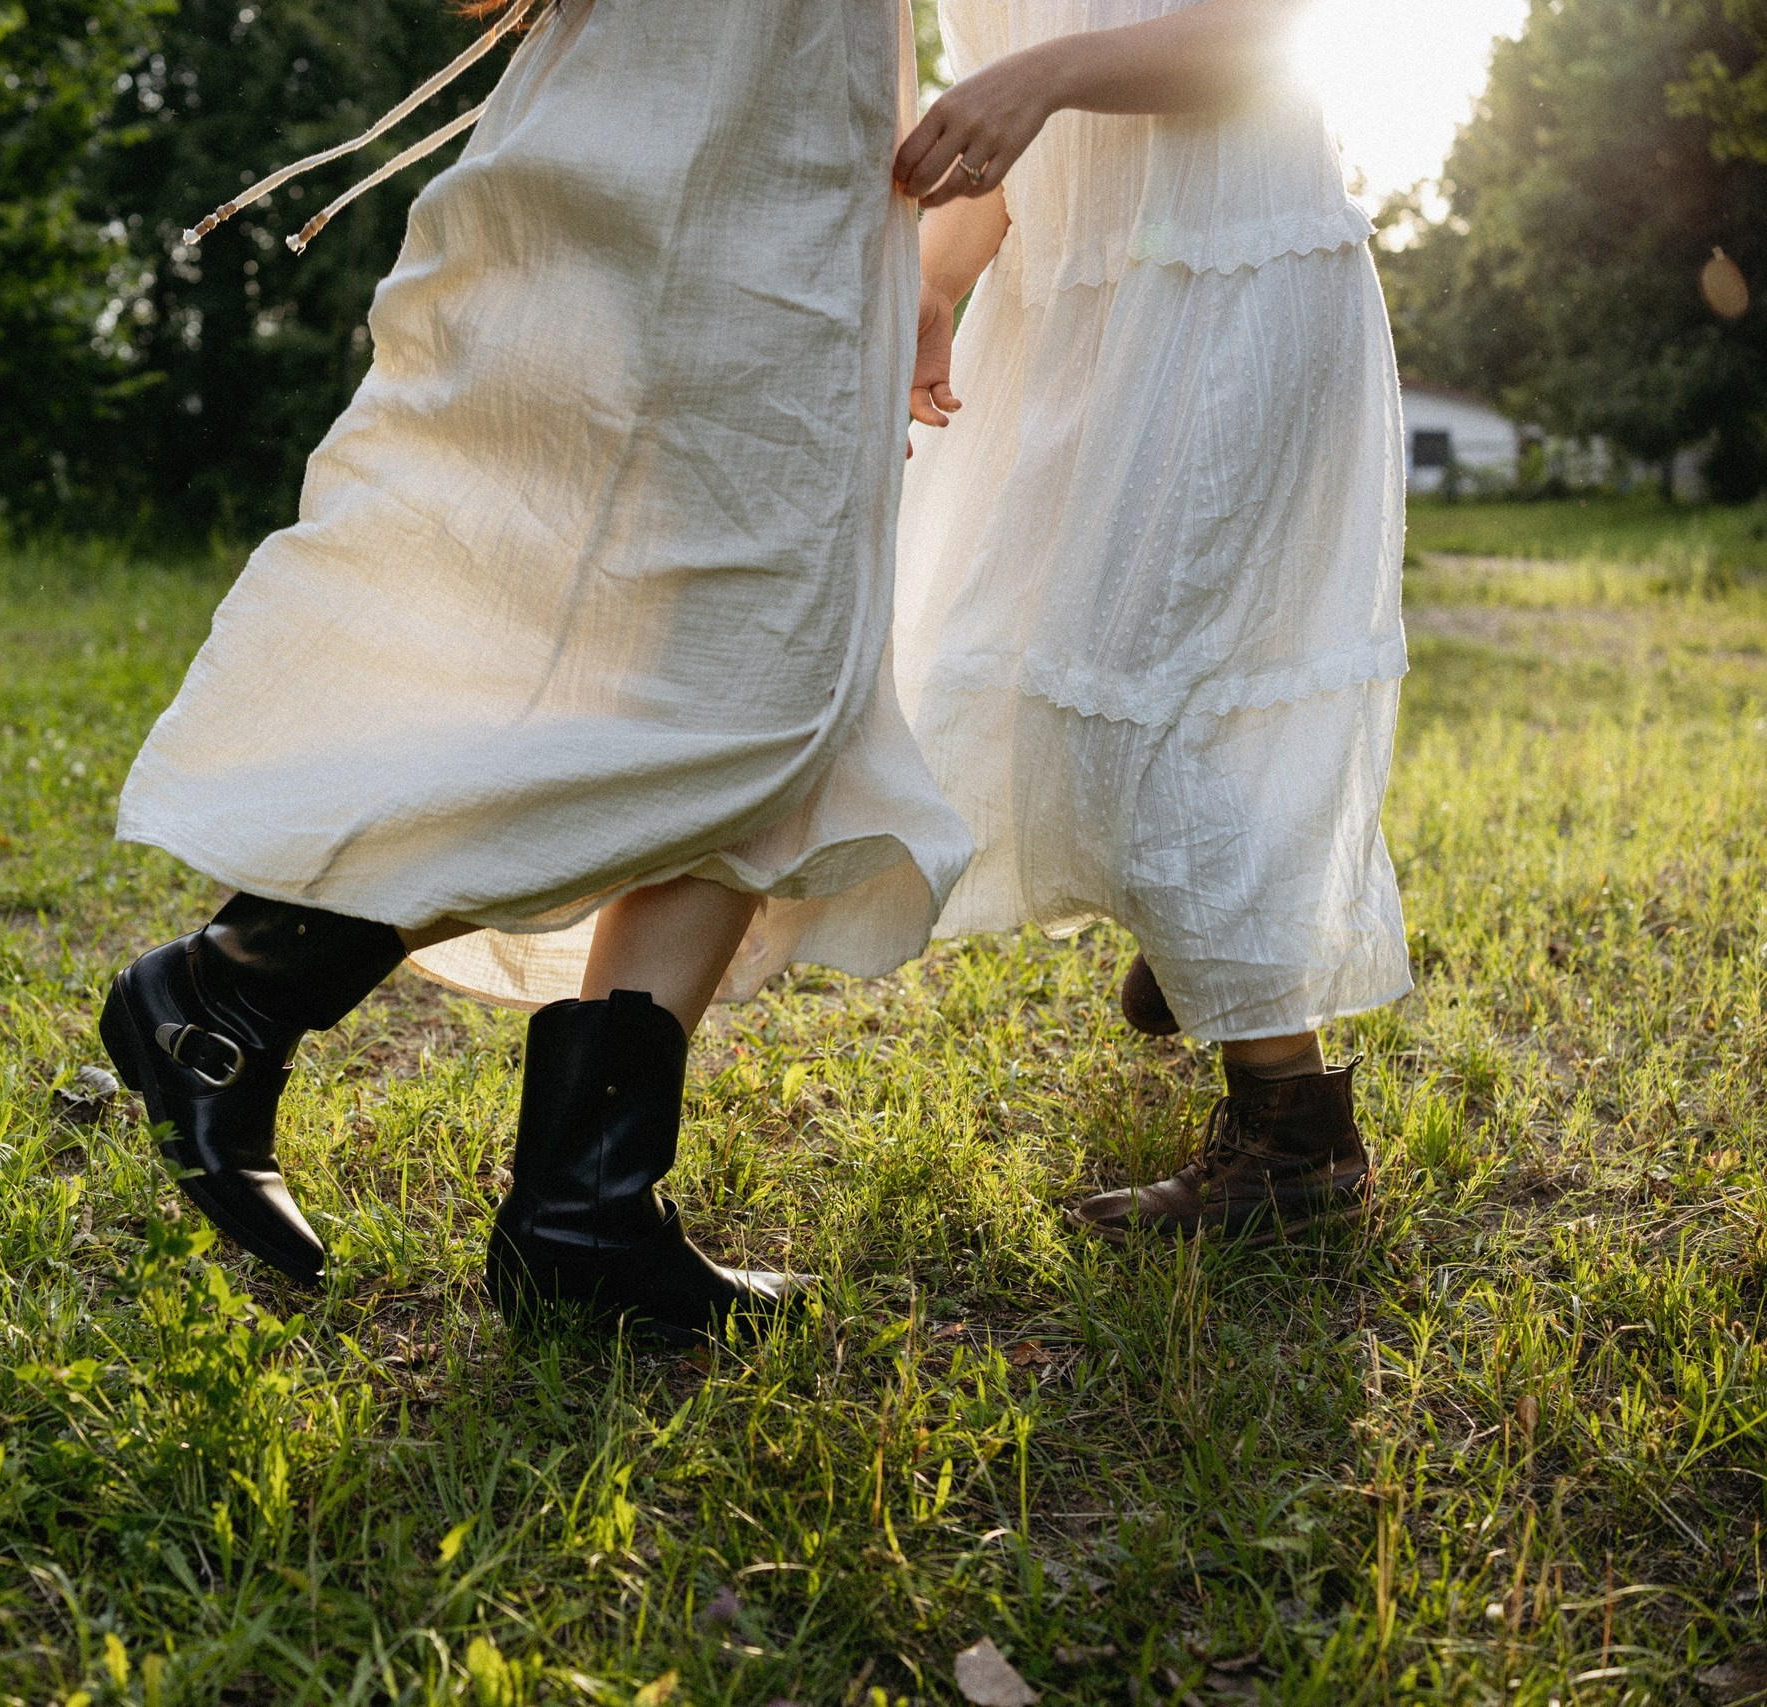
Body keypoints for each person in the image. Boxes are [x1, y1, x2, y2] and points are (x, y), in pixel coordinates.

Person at [100, 0, 975, 1342]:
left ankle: (580, 1215)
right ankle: (239, 995)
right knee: (760, 689)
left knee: (781, 702)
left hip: (787, 171)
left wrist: (903, 246)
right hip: (718, 169)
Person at [889, 0, 1408, 1242]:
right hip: (1077, 308)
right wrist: (931, 285)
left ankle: (1295, 1141)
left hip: (1232, 277)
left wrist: (1048, 73)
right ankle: (1211, 930)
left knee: (1140, 696)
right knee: (1022, 670)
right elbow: (1004, 140)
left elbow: (1263, 33)